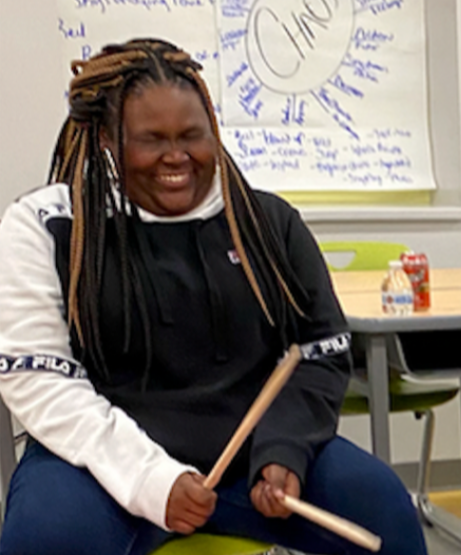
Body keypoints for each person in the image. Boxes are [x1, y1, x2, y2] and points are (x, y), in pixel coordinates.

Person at [0, 39, 427, 555]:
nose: (176, 156)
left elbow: (318, 353)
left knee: (382, 506)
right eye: (150, 139)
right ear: (108, 142)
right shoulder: (49, 224)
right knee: (47, 538)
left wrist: (284, 449)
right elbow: (41, 380)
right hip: (100, 464)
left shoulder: (266, 222)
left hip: (251, 458)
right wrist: (152, 481)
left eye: (192, 136)